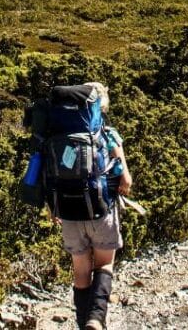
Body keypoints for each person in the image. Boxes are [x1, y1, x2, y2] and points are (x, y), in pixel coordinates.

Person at [45, 85, 133, 330]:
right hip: (99, 209)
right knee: (104, 264)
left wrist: (53, 207)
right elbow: (125, 178)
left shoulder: (57, 137)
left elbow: (48, 175)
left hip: (68, 214)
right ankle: (96, 318)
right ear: (99, 107)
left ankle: (84, 322)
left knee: (80, 272)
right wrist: (121, 184)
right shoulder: (107, 133)